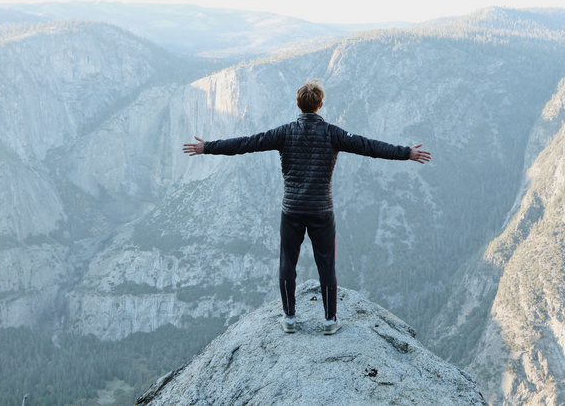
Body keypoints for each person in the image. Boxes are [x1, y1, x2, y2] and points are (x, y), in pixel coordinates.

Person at [183, 79, 431, 335]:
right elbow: (369, 146)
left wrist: (207, 147)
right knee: (326, 265)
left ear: (298, 105)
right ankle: (329, 321)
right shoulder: (333, 134)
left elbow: (246, 143)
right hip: (321, 211)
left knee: (287, 263)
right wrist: (406, 153)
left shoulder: (284, 132)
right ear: (320, 104)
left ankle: (289, 319)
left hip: (291, 210)